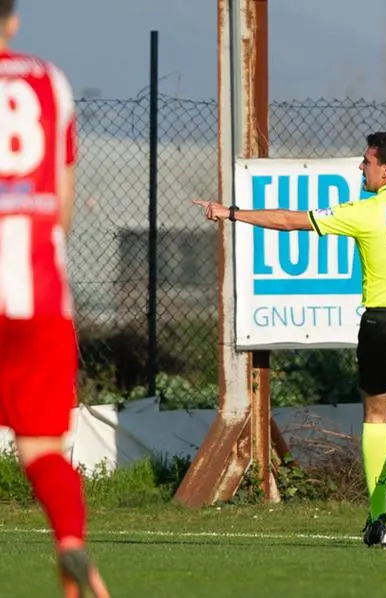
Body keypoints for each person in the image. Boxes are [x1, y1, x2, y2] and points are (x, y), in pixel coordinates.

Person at [194, 67, 386, 549]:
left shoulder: (362, 210)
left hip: (381, 322)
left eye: (366, 163)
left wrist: (230, 213)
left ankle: (377, 516)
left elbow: (289, 221)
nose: (361, 169)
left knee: (377, 419)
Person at [0, 2, 111, 596]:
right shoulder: (48, 80)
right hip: (40, 295)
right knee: (43, 449)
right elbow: (63, 205)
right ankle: (69, 545)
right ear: (12, 21)